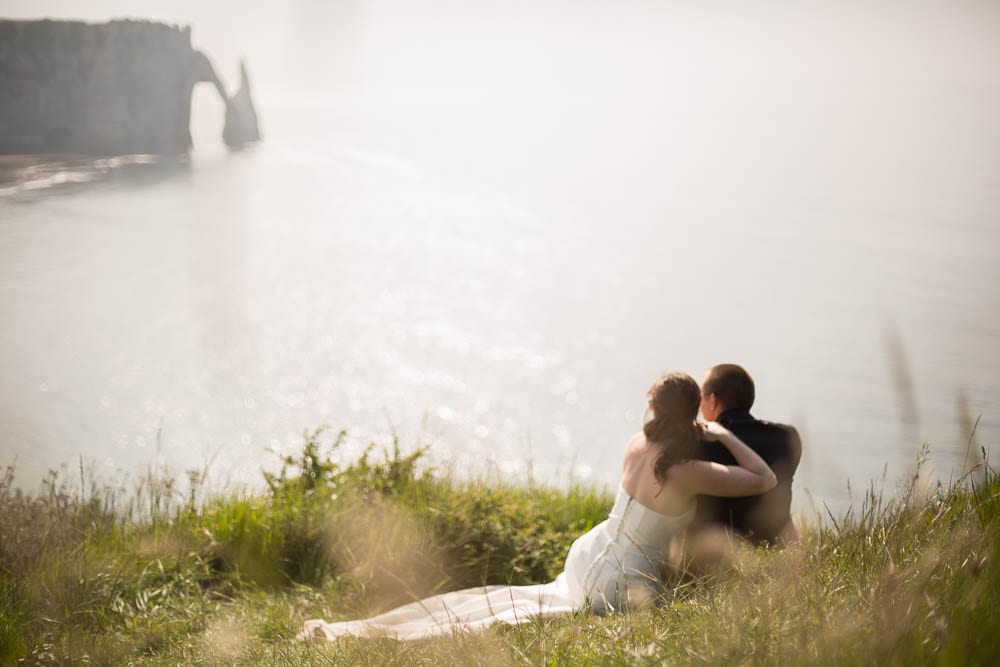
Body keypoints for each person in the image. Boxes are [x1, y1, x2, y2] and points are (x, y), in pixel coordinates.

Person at [298, 372, 776, 641]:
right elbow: (763, 478)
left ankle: (351, 628)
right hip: (619, 583)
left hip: (590, 553)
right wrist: (725, 434)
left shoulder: (637, 445)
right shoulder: (684, 470)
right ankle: (357, 636)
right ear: (694, 411)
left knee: (489, 601)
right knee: (501, 614)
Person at [689, 364, 802, 548]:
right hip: (773, 549)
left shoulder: (703, 444)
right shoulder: (788, 438)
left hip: (717, 556)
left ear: (712, 401)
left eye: (701, 398)